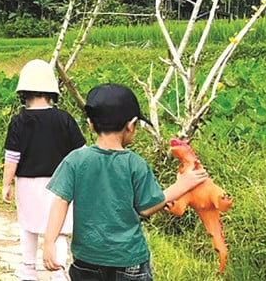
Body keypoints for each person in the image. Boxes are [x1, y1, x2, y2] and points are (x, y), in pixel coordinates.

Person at [42, 83, 208, 281]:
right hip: (129, 261)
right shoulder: (135, 164)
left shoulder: (75, 160)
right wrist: (182, 185)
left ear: (91, 125)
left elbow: (60, 201)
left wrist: (49, 242)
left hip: (87, 261)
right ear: (131, 125)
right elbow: (147, 207)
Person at [2, 59, 86, 280]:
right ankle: (58, 272)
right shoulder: (64, 119)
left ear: (24, 92)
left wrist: (6, 184)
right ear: (52, 92)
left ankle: (28, 269)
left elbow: (12, 157)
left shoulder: (19, 121)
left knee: (28, 226)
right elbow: (82, 153)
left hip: (27, 183)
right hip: (61, 185)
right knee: (57, 229)